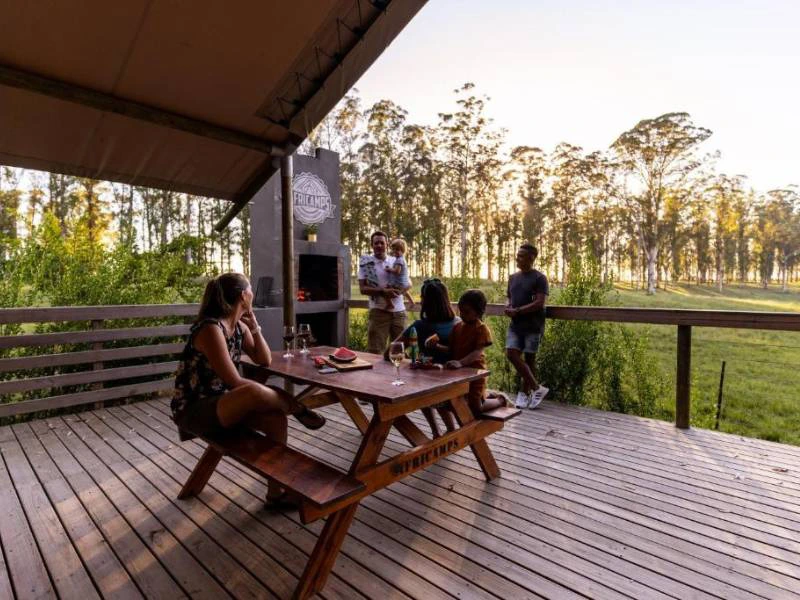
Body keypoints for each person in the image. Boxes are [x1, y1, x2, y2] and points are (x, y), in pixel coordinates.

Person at [171, 272, 326, 508]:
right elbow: (234, 381)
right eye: (251, 289)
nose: (253, 293)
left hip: (224, 404)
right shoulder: (211, 329)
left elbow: (264, 359)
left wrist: (255, 327)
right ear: (244, 295)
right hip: (195, 410)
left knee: (276, 419)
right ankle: (296, 406)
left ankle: (275, 495)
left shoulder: (239, 327)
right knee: (252, 392)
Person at [395, 278, 460, 434]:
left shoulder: (418, 326)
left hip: (430, 387)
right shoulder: (458, 324)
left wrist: (410, 358)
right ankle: (449, 429)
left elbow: (391, 351)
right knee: (426, 386)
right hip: (457, 383)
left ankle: (436, 431)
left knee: (421, 385)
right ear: (446, 299)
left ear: (425, 301)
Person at [433, 289, 505, 417]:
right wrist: (436, 346)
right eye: (460, 311)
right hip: (459, 373)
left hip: (476, 373)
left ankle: (500, 400)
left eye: (467, 312)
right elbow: (451, 349)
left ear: (478, 312)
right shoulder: (457, 327)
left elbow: (478, 352)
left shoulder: (481, 329)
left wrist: (460, 362)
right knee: (456, 402)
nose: (462, 314)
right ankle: (486, 395)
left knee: (476, 408)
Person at [505, 243, 550, 409]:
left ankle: (524, 395)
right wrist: (508, 306)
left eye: (522, 256)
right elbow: (509, 297)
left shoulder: (539, 278)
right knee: (511, 354)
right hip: (515, 325)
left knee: (530, 360)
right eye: (518, 255)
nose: (518, 258)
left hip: (533, 325)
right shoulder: (512, 277)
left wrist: (518, 310)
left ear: (532, 258)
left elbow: (540, 303)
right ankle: (537, 388)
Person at [358, 231, 411, 356]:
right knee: (375, 353)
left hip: (399, 313)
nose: (379, 245)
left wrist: (398, 292)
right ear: (372, 245)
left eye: (382, 242)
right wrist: (383, 291)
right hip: (378, 313)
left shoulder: (397, 260)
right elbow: (362, 289)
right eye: (376, 243)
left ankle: (399, 376)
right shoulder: (366, 264)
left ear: (387, 244)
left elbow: (409, 283)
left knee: (401, 353)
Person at [384, 238, 415, 310]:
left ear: (403, 251)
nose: (395, 252)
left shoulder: (399, 260)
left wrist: (389, 269)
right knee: (405, 291)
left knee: (385, 291)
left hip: (398, 284)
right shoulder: (402, 259)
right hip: (404, 283)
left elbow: (397, 271)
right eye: (394, 250)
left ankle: (390, 304)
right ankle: (411, 302)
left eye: (398, 250)